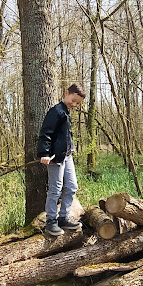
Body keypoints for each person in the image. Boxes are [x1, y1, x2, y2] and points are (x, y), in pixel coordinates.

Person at [37, 83, 86, 236]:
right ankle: (51, 221)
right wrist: (44, 153)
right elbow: (46, 133)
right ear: (66, 93)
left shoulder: (66, 113)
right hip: (55, 157)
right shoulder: (56, 111)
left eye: (77, 103)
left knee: (72, 186)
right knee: (55, 189)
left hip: (67, 155)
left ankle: (63, 218)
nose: (75, 104)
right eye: (73, 100)